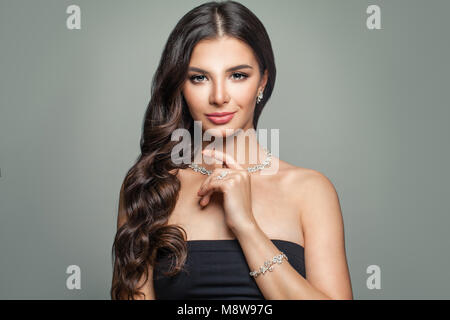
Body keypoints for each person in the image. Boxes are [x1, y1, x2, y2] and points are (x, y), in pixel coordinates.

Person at [111, 0, 353, 300]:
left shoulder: (311, 191)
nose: (219, 96)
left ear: (262, 80)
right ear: (181, 86)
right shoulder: (151, 186)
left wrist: (246, 226)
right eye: (199, 78)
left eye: (238, 75)